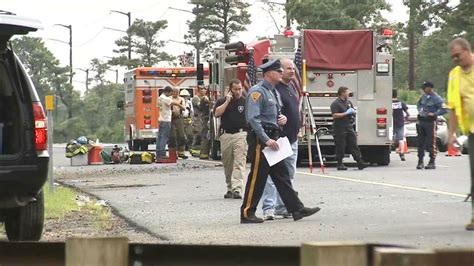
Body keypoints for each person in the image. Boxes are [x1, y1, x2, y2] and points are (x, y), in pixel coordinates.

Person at [241, 59, 321, 223]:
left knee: (282, 176)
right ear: (269, 73)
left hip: (273, 139)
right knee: (257, 178)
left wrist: (281, 119)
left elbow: (270, 115)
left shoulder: (273, 92)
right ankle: (247, 212)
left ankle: (296, 209)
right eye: (278, 71)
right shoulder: (258, 92)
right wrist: (266, 139)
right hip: (261, 141)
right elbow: (253, 119)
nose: (281, 73)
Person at [261, 58, 300, 220]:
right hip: (279, 140)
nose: (292, 71)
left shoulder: (290, 87)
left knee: (288, 175)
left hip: (292, 139)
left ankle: (282, 207)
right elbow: (269, 113)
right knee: (273, 177)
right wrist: (279, 118)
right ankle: (268, 207)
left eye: (293, 68)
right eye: (288, 68)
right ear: (279, 71)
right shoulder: (274, 90)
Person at [446, 38, 474, 230]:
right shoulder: (454, 75)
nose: (455, 59)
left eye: (458, 55)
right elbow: (453, 107)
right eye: (453, 57)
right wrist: (451, 134)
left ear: (468, 50)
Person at [214, 79, 247, 200]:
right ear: (230, 90)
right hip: (226, 135)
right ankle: (229, 187)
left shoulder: (245, 101)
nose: (238, 92)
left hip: (241, 134)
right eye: (235, 89)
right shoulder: (222, 101)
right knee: (228, 164)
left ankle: (237, 189)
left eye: (240, 89)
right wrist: (227, 101)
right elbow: (217, 114)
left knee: (239, 162)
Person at [330, 86, 369, 170]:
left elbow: (352, 111)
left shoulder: (348, 102)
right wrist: (345, 113)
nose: (348, 94)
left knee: (353, 144)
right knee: (341, 146)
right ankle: (340, 164)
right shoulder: (335, 104)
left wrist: (353, 113)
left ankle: (360, 162)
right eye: (347, 92)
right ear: (342, 93)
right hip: (339, 127)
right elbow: (335, 115)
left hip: (348, 126)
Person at [415, 81, 447, 170]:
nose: (424, 89)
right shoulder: (424, 96)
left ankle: (432, 161)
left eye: (425, 88)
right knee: (420, 142)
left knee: (431, 142)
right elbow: (419, 104)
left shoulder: (437, 98)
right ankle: (420, 161)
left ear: (430, 88)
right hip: (421, 122)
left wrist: (434, 113)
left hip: (430, 123)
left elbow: (444, 109)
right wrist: (420, 110)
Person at [169, 87, 188, 159]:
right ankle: (173, 153)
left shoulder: (181, 99)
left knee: (181, 135)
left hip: (179, 118)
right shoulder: (169, 99)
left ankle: (181, 152)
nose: (175, 93)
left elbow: (184, 108)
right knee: (172, 136)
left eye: (177, 92)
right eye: (174, 92)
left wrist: (177, 104)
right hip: (171, 118)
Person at [156, 86, 174, 159]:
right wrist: (180, 105)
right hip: (166, 120)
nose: (171, 95)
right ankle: (162, 153)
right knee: (164, 137)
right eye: (170, 93)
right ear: (167, 92)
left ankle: (158, 153)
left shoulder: (159, 98)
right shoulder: (165, 98)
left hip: (160, 118)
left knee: (160, 137)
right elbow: (173, 103)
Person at [392, 89, 410, 161]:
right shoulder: (401, 103)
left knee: (390, 137)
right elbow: (408, 114)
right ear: (397, 95)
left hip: (391, 123)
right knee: (401, 139)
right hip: (400, 123)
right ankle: (402, 153)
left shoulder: (387, 103)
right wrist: (405, 117)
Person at [191, 86, 207, 157]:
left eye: (205, 89)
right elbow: (200, 106)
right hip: (197, 120)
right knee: (198, 134)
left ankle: (200, 150)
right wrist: (204, 100)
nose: (204, 90)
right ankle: (195, 150)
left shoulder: (204, 98)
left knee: (202, 134)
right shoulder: (195, 98)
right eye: (202, 89)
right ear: (199, 90)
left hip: (202, 119)